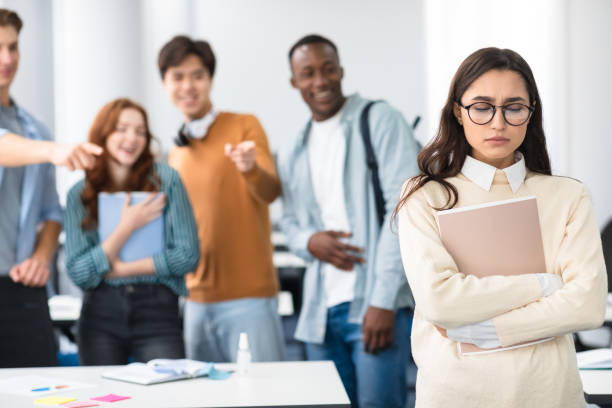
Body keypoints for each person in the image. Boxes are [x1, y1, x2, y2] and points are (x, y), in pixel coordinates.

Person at [396, 47, 607, 407]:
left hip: (549, 395)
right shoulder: (425, 197)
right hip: (456, 395)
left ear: (530, 113)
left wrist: (491, 331)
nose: (498, 123)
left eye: (514, 107)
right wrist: (543, 284)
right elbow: (440, 301)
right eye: (481, 107)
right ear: (458, 113)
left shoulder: (568, 196)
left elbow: (587, 306)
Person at [276, 34, 420, 408]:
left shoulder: (380, 120)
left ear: (341, 71)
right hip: (319, 314)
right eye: (307, 73)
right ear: (294, 82)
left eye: (328, 70)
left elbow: (405, 208)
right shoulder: (295, 146)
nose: (319, 81)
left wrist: (384, 300)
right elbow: (289, 222)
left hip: (374, 305)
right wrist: (309, 241)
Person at [158, 35, 285, 362]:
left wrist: (249, 167)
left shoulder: (244, 126)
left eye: (197, 75)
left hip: (249, 296)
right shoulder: (176, 152)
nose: (188, 85)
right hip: (195, 300)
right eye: (178, 77)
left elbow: (270, 191)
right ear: (165, 84)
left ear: (210, 79)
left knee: (263, 394)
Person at [0, 8, 100, 368]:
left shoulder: (36, 129)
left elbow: (50, 212)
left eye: (13, 47)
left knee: (39, 390)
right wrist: (54, 152)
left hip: (21, 291)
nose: (7, 58)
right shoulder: (40, 144)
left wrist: (42, 257)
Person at [64, 98, 199, 365]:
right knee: (102, 400)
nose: (132, 138)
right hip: (100, 314)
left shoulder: (166, 180)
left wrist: (119, 270)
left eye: (140, 131)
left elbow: (187, 255)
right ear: (103, 134)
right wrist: (128, 226)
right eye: (122, 129)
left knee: (167, 399)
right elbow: (79, 273)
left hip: (158, 311)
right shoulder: (79, 194)